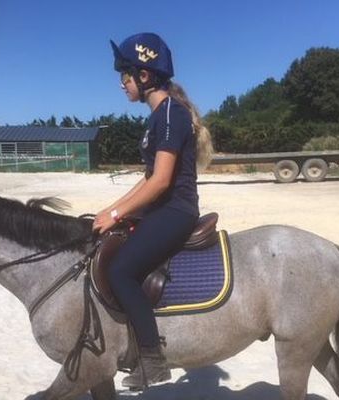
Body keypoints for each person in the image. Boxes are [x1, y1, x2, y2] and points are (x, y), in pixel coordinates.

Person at [92, 32, 213, 388]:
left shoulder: (172, 114)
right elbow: (146, 180)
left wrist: (117, 214)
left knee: (121, 271)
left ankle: (151, 360)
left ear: (144, 76)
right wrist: (110, 211)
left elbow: (160, 183)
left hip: (176, 211)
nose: (121, 84)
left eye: (124, 76)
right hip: (160, 207)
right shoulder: (159, 116)